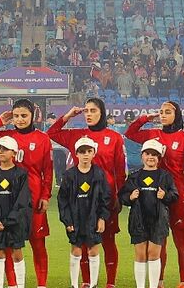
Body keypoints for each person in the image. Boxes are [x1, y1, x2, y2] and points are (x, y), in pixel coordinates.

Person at [0, 99, 53, 288]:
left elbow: (47, 171)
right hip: (8, 199)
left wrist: (45, 195)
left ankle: (41, 284)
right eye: (16, 116)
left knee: (38, 244)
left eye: (24, 115)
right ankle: (12, 284)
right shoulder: (5, 137)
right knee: (8, 244)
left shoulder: (42, 139)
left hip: (33, 199)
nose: (19, 119)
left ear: (33, 115)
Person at [49, 99, 126, 288]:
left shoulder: (114, 137)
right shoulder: (78, 135)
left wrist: (118, 196)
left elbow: (120, 171)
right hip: (80, 199)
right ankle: (85, 282)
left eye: (93, 110)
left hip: (105, 199)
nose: (89, 114)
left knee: (107, 240)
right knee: (82, 240)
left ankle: (110, 282)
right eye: (86, 111)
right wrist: (68, 116)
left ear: (102, 113)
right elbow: (52, 133)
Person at [125, 101, 184, 288]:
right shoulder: (153, 135)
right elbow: (130, 133)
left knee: (181, 240)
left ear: (177, 115)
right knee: (160, 240)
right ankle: (159, 281)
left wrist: (178, 182)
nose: (163, 115)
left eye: (168, 112)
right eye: (161, 112)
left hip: (177, 198)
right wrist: (146, 118)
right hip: (154, 196)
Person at [119, 139, 179, 288]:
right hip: (138, 220)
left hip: (158, 220)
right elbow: (122, 196)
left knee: (153, 254)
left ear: (159, 158)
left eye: (154, 154)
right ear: (142, 156)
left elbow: (174, 195)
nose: (150, 157)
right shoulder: (134, 176)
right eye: (147, 154)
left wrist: (165, 196)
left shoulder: (165, 176)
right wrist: (130, 197)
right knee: (140, 254)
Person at [58, 137, 111, 288]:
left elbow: (105, 198)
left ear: (94, 153)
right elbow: (63, 201)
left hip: (93, 218)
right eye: (82, 152)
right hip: (75, 219)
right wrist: (67, 221)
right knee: (76, 251)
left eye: (89, 151)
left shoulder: (99, 174)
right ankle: (74, 285)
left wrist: (102, 218)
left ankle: (93, 284)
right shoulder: (69, 175)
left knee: (93, 251)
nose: (86, 155)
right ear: (76, 154)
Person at [0, 136, 31, 288]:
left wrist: (9, 221)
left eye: (4, 149)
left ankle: (20, 285)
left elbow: (22, 201)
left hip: (15, 223)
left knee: (17, 253)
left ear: (14, 153)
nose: (0, 152)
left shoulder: (21, 174)